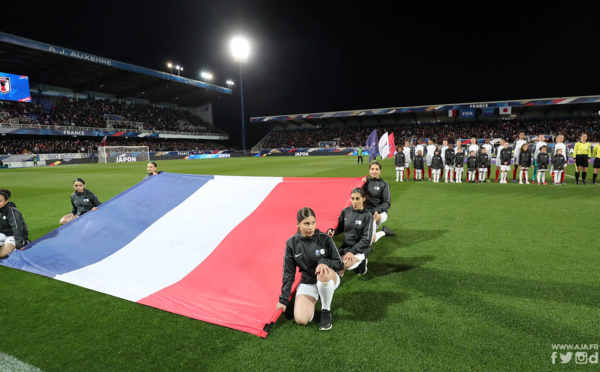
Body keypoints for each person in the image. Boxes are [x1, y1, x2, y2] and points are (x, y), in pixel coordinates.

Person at [276, 207, 343, 331]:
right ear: (298, 224)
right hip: (308, 281)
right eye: (306, 223)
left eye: (313, 223)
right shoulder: (291, 243)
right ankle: (318, 296)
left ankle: (326, 310)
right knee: (301, 320)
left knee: (323, 274)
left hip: (328, 278)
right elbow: (288, 273)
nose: (311, 227)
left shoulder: (325, 239)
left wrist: (324, 262)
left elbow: (339, 264)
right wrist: (283, 299)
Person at [327, 188, 373, 276]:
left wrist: (352, 252)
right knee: (330, 261)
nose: (354, 201)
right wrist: (333, 231)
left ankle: (362, 261)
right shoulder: (345, 212)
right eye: (352, 198)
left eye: (357, 198)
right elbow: (340, 228)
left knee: (345, 264)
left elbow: (366, 240)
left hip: (360, 249)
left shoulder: (368, 215)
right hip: (346, 247)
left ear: (364, 199)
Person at [362, 162, 394, 242]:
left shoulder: (384, 184)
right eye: (372, 169)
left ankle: (383, 231)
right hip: (366, 212)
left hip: (379, 213)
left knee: (371, 240)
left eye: (377, 169)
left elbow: (387, 203)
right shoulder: (365, 183)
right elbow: (357, 196)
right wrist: (362, 184)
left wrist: (375, 211)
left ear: (380, 171)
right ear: (369, 170)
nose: (374, 171)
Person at [0, 189, 30, 259]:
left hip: (13, 235)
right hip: (3, 234)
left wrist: (19, 244)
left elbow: (17, 228)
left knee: (2, 255)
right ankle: (4, 243)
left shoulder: (12, 212)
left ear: (6, 202)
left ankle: (25, 242)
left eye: (0, 201)